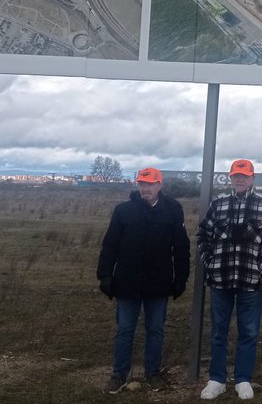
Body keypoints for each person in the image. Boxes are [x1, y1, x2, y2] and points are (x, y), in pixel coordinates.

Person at [97, 167, 190, 394]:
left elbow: (181, 247)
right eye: (142, 184)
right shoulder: (123, 211)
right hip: (127, 281)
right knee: (125, 330)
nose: (145, 188)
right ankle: (119, 374)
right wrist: (105, 275)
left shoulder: (173, 209)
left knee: (155, 330)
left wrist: (181, 277)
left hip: (159, 282)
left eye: (150, 184)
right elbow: (110, 245)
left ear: (159, 185)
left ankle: (153, 373)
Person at [197, 159, 262, 401]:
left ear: (252, 178)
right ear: (231, 178)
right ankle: (217, 379)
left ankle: (243, 379)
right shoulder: (218, 203)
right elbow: (203, 234)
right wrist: (209, 263)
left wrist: (261, 268)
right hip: (220, 279)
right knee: (218, 332)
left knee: (249, 332)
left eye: (244, 176)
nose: (240, 179)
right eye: (236, 176)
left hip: (251, 281)